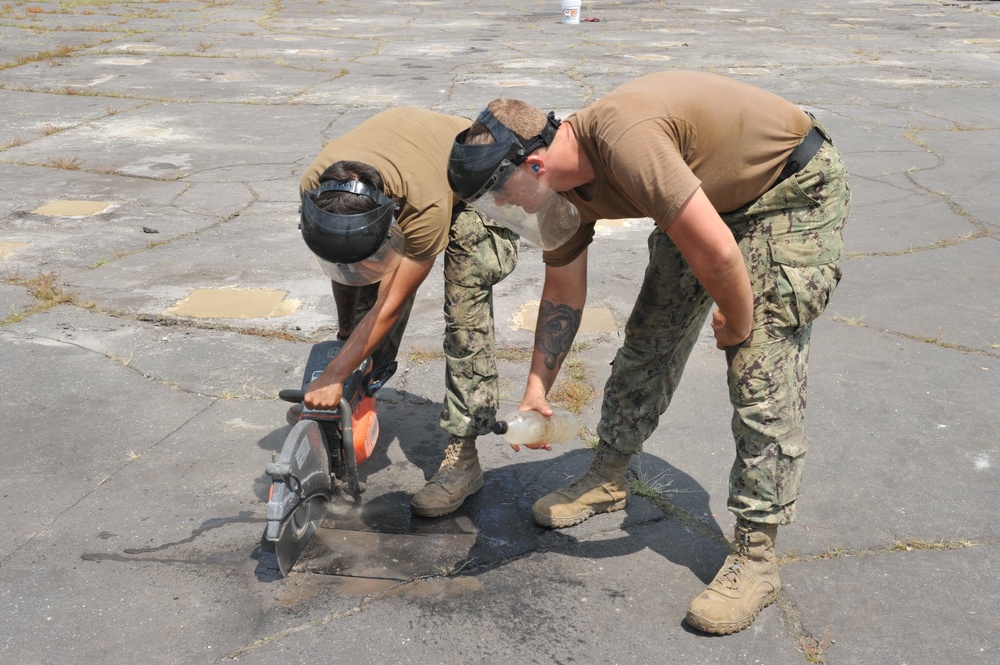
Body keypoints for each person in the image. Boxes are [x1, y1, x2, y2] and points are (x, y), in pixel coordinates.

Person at [448, 71, 851, 635]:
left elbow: (718, 257)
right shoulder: (561, 187)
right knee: (647, 343)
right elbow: (564, 292)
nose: (507, 213)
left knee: (760, 368)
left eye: (502, 198)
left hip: (786, 193)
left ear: (534, 167)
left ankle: (757, 556)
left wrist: (735, 322)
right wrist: (537, 391)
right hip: (706, 200)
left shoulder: (625, 141)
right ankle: (610, 474)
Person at [298, 107, 518, 518]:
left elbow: (391, 302)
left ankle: (464, 455)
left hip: (477, 175)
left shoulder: (424, 205)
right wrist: (347, 343)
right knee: (361, 287)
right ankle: (352, 410)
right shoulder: (317, 187)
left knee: (464, 296)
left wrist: (334, 374)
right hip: (407, 170)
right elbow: (346, 269)